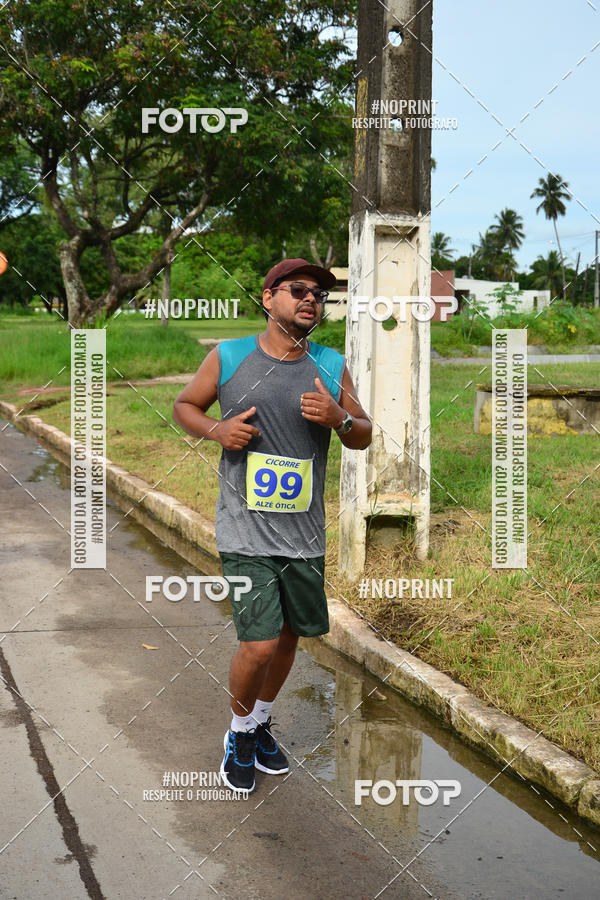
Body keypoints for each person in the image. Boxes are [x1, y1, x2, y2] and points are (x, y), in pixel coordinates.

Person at [172, 258, 372, 792]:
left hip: (304, 534)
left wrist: (340, 419)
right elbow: (185, 405)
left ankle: (260, 721)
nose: (311, 300)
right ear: (268, 298)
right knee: (258, 642)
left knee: (289, 637)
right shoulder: (230, 355)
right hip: (245, 531)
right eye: (298, 290)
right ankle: (238, 731)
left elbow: (363, 434)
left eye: (320, 295)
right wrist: (216, 430)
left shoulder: (331, 364)